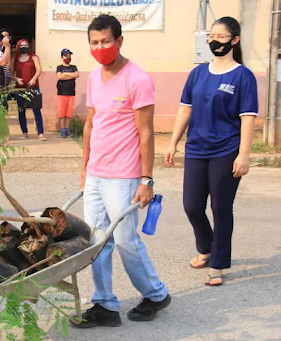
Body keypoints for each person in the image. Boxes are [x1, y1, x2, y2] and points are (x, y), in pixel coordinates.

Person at [75, 14, 170, 329]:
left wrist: (146, 179)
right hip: (96, 174)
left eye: (105, 41)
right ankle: (104, 304)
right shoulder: (93, 77)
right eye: (94, 42)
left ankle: (155, 294)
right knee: (95, 241)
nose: (100, 47)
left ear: (119, 41)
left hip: (124, 175)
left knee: (126, 240)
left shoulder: (137, 79)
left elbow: (146, 132)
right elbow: (91, 125)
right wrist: (85, 167)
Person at [165, 17, 258, 287]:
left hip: (227, 150)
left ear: (235, 40)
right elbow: (186, 108)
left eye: (221, 36)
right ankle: (206, 247)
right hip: (196, 148)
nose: (215, 41)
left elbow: (248, 117)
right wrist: (173, 142)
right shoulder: (197, 73)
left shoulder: (243, 76)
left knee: (221, 207)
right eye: (212, 36)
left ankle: (217, 263)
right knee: (192, 206)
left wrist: (244, 154)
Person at [12, 39, 47, 141]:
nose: (24, 47)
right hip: (20, 89)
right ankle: (24, 132)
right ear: (18, 47)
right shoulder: (15, 59)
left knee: (36, 110)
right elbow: (10, 73)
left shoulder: (34, 57)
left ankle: (40, 133)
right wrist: (16, 79)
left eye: (25, 45)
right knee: (21, 111)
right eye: (21, 45)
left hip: (33, 87)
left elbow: (39, 70)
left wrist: (33, 79)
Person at [56, 48, 79, 138]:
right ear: (62, 57)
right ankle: (62, 129)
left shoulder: (73, 67)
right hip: (61, 92)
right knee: (62, 112)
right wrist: (70, 75)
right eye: (66, 55)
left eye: (69, 55)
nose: (68, 57)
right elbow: (59, 77)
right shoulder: (59, 67)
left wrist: (65, 74)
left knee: (68, 112)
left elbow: (77, 74)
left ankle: (67, 129)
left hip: (71, 93)